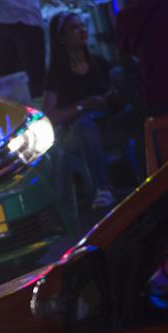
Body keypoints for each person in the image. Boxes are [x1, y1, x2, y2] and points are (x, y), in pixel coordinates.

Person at [43, 12, 118, 211]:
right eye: (74, 28)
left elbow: (116, 87)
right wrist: (81, 106)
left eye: (82, 25)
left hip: (105, 123)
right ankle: (103, 189)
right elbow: (49, 116)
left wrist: (107, 99)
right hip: (75, 132)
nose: (82, 30)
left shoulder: (98, 62)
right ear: (62, 38)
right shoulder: (58, 74)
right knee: (84, 125)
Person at [0, 0, 45, 98]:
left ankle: (15, 110)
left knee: (8, 86)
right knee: (33, 84)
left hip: (1, 20)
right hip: (26, 18)